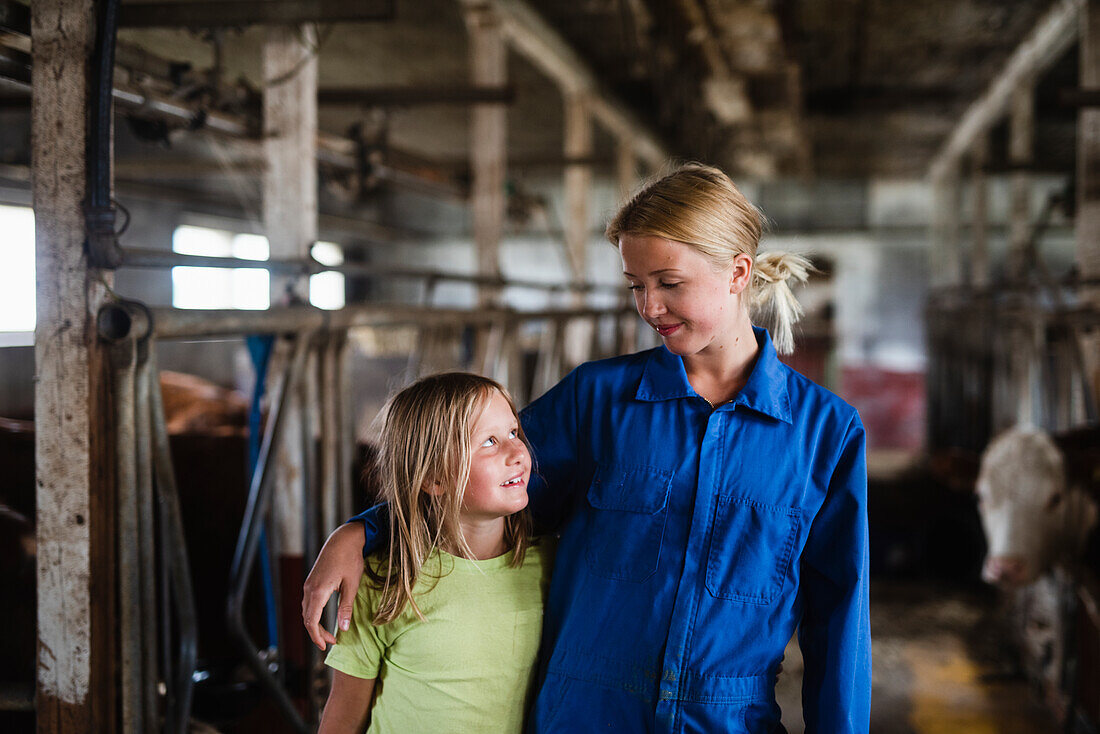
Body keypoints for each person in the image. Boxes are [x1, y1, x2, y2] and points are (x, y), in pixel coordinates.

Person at [305, 163, 871, 733]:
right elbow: (467, 486)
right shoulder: (596, 400)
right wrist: (362, 532)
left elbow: (838, 618)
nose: (648, 307)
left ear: (738, 273)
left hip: (727, 720)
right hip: (585, 714)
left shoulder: (825, 433)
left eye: (669, 283)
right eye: (635, 285)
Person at [317, 372, 552, 734]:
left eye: (513, 433)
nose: (517, 453)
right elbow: (344, 716)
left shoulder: (550, 565)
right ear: (435, 479)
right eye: (489, 441)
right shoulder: (387, 581)